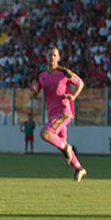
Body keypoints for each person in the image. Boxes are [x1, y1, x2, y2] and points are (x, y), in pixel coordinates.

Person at [29, 46, 86, 181]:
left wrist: (73, 96)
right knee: (61, 144)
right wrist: (33, 90)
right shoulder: (41, 75)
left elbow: (80, 83)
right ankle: (79, 169)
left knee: (45, 134)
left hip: (64, 111)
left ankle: (67, 148)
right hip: (52, 114)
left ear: (59, 58)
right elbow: (35, 93)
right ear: (46, 57)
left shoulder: (64, 72)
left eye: (55, 55)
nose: (52, 57)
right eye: (50, 55)